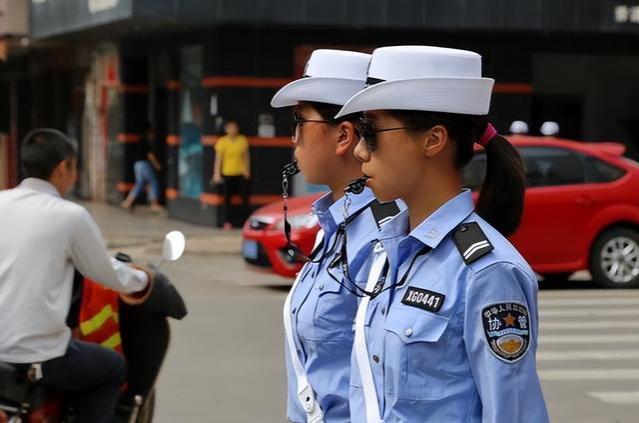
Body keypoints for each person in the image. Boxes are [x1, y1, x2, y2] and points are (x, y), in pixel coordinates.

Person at [336, 46, 549, 422]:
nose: (358, 149)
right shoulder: (387, 252)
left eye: (372, 132)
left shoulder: (487, 271)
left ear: (433, 140)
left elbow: (513, 413)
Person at [271, 49, 401, 423]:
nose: (293, 138)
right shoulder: (333, 225)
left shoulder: (382, 237)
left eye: (300, 122)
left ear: (344, 135)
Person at [0, 128, 152, 423]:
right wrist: (145, 280)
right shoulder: (69, 215)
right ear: (62, 168)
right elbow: (108, 273)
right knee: (113, 368)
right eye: (74, 167)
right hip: (38, 356)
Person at [212, 119, 250, 229]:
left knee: (244, 199)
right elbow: (218, 158)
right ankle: (227, 222)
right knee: (227, 199)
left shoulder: (242, 140)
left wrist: (247, 170)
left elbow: (246, 156)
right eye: (230, 128)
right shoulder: (222, 141)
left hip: (240, 173)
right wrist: (216, 173)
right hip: (227, 174)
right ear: (226, 129)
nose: (233, 130)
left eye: (235, 127)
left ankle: (244, 222)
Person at [121, 123, 163, 212]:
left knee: (139, 184)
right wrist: (157, 165)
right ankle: (154, 204)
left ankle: (128, 201)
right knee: (153, 182)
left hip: (137, 165)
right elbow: (150, 155)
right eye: (152, 133)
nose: (153, 135)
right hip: (144, 164)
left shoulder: (139, 140)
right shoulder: (145, 141)